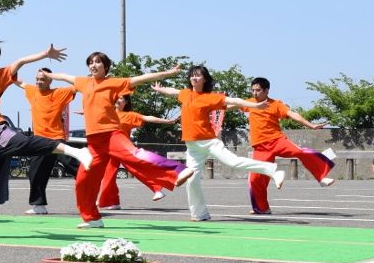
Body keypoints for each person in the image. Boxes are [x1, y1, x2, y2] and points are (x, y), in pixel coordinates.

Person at [0, 39, 91, 238]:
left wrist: (45, 54)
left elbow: (21, 61)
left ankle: (76, 151)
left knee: (26, 143)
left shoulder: (1, 74)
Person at [48, 52, 193, 229]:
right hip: (94, 143)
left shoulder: (113, 82)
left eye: (98, 62)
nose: (93, 65)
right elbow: (64, 77)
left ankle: (177, 171)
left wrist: (167, 73)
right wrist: (47, 75)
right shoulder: (84, 83)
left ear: (106, 66)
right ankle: (92, 218)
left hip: (111, 135)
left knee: (135, 155)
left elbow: (140, 79)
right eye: (91, 63)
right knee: (83, 180)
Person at [151, 65, 285, 222]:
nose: (194, 78)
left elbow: (233, 100)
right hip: (192, 146)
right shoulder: (185, 94)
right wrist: (160, 89)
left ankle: (272, 170)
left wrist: (255, 105)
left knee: (234, 162)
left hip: (209, 142)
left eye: (198, 76)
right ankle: (199, 214)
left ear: (205, 79)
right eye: (192, 75)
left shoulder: (210, 97)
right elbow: (173, 91)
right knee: (192, 180)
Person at [241, 77, 335, 214]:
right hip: (260, 147)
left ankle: (321, 177)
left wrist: (311, 125)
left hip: (277, 141)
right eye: (253, 90)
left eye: (258, 90)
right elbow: (231, 104)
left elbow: (292, 114)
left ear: (266, 91)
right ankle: (262, 208)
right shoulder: (249, 103)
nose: (255, 93)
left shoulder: (276, 104)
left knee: (300, 152)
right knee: (256, 178)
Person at [96, 94, 181, 210]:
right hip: (111, 149)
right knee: (108, 174)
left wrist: (167, 121)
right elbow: (95, 114)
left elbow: (147, 118)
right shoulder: (108, 113)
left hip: (125, 148)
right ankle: (112, 202)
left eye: (121, 98)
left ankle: (160, 186)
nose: (117, 100)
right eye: (117, 98)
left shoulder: (129, 115)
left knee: (139, 168)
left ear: (126, 102)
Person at [14, 68, 77, 215]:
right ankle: (39, 205)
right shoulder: (32, 91)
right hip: (39, 141)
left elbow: (80, 85)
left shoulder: (60, 93)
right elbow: (17, 81)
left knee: (70, 164)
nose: (39, 81)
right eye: (37, 79)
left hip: (56, 138)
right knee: (35, 172)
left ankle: (92, 182)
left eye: (42, 79)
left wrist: (93, 77)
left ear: (50, 80)